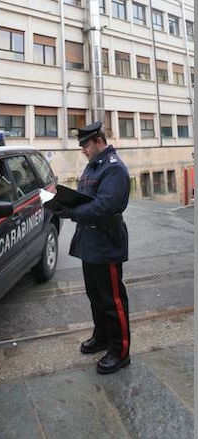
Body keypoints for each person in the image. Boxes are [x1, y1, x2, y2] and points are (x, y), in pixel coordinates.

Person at [64, 121, 131, 374]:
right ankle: (102, 336)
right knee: (95, 295)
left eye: (85, 144)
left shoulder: (113, 169)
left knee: (113, 300)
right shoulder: (93, 166)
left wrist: (70, 211)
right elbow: (85, 197)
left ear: (99, 141)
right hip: (90, 243)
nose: (82, 149)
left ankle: (120, 350)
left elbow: (103, 206)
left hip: (106, 243)